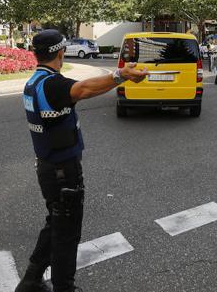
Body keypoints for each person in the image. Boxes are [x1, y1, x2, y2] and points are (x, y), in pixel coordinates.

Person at [16, 29, 148, 292]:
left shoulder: (36, 82)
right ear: (60, 52)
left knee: (55, 224)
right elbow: (84, 89)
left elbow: (77, 87)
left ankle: (30, 280)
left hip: (48, 167)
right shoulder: (52, 85)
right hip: (63, 171)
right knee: (66, 234)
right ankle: (64, 288)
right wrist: (120, 75)